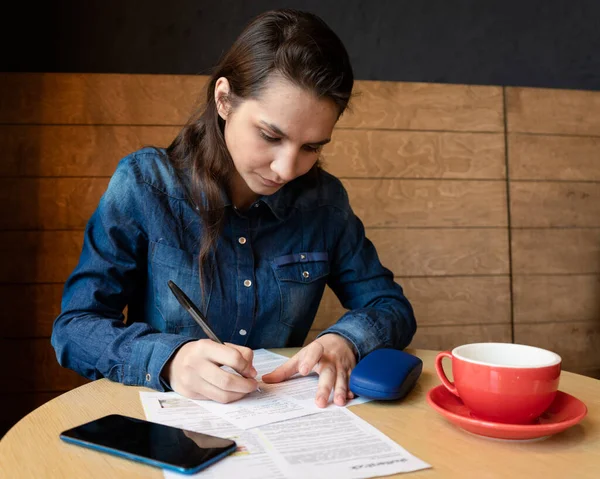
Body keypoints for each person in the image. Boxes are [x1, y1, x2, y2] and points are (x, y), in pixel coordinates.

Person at [51, 8, 416, 408]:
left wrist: (345, 340)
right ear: (224, 99)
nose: (287, 168)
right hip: (167, 429)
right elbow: (75, 327)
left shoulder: (323, 202)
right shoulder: (144, 185)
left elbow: (390, 306)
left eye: (312, 147)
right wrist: (171, 360)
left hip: (285, 428)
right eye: (270, 135)